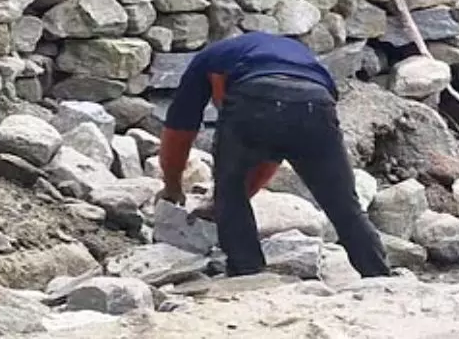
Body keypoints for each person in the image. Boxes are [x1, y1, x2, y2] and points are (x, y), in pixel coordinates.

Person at [157, 33, 390, 279]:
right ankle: (378, 274)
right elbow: (272, 150)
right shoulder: (301, 58)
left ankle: (247, 272)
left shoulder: (208, 60)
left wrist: (173, 187)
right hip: (316, 103)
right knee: (343, 203)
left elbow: (180, 131)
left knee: (230, 189)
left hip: (253, 96)